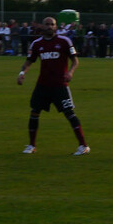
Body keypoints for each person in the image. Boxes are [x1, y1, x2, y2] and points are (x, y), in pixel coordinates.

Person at [17, 17, 90, 156]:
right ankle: (32, 145)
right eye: (47, 24)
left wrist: (70, 72)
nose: (50, 26)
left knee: (69, 114)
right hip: (43, 85)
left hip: (60, 85)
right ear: (42, 27)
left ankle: (83, 146)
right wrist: (22, 73)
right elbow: (28, 62)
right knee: (34, 113)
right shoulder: (36, 44)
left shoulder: (64, 41)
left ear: (56, 27)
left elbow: (75, 60)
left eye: (52, 24)